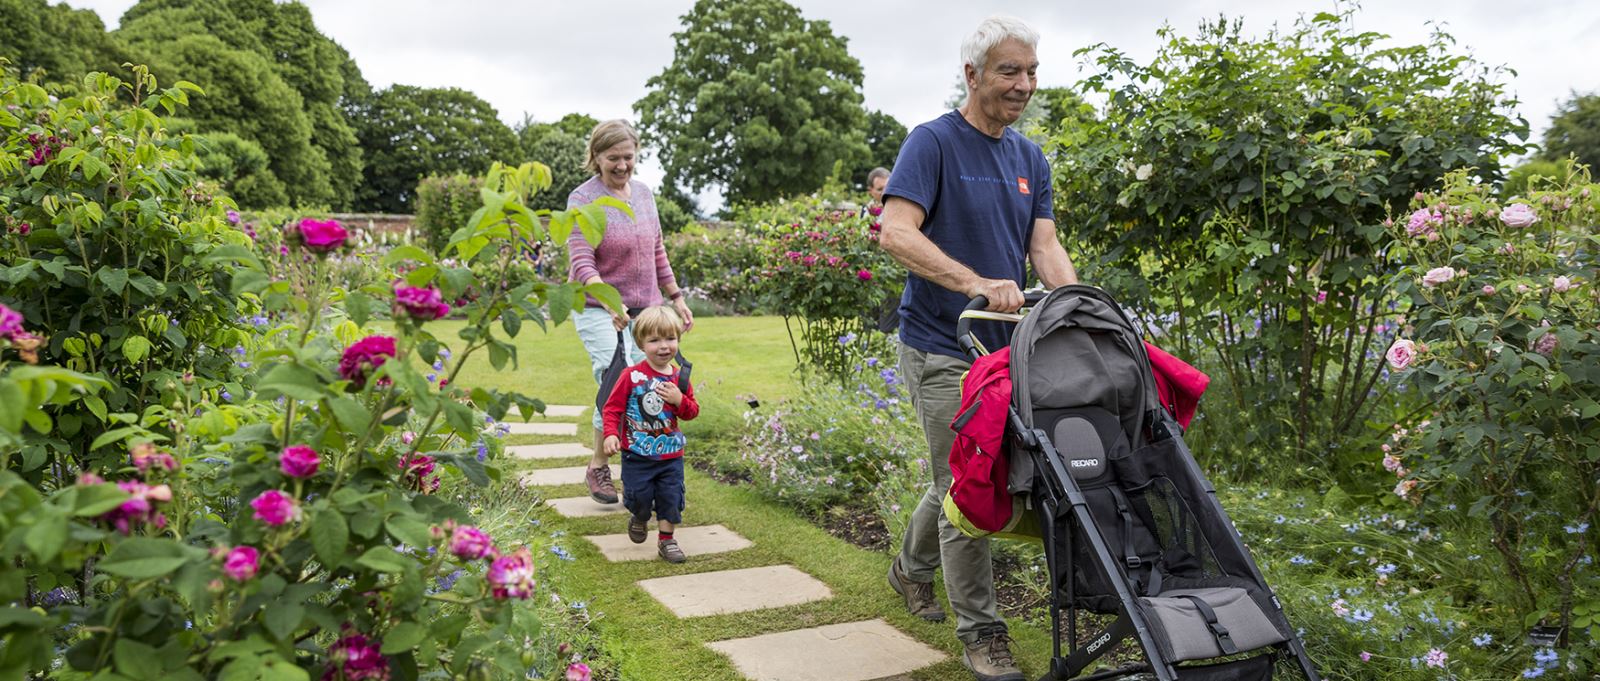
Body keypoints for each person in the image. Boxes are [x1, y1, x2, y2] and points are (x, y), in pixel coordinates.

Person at [877, 15, 1078, 681]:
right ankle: (983, 633)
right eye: (1009, 72)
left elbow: (1043, 244)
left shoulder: (1028, 157)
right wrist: (975, 283)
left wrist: (1078, 306)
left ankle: (908, 568)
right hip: (942, 342)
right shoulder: (932, 144)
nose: (1024, 85)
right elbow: (896, 232)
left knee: (961, 476)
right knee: (966, 486)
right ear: (972, 75)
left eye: (1030, 72)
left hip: (1007, 352)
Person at [567, 119, 695, 506]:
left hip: (647, 309)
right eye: (612, 158)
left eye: (628, 157)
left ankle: (644, 464)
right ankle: (599, 465)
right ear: (596, 157)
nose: (622, 165)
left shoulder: (643, 195)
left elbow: (657, 251)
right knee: (616, 376)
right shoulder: (583, 200)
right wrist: (608, 300)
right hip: (597, 308)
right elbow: (581, 262)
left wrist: (676, 296)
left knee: (645, 385)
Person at [600, 306, 699, 563]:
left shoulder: (680, 378)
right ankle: (640, 516)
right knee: (640, 498)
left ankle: (667, 541)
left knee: (671, 497)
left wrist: (679, 400)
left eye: (670, 338)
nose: (664, 346)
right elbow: (612, 409)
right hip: (637, 455)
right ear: (641, 344)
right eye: (655, 340)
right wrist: (610, 435)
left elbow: (691, 412)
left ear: (678, 339)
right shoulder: (631, 376)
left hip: (670, 455)